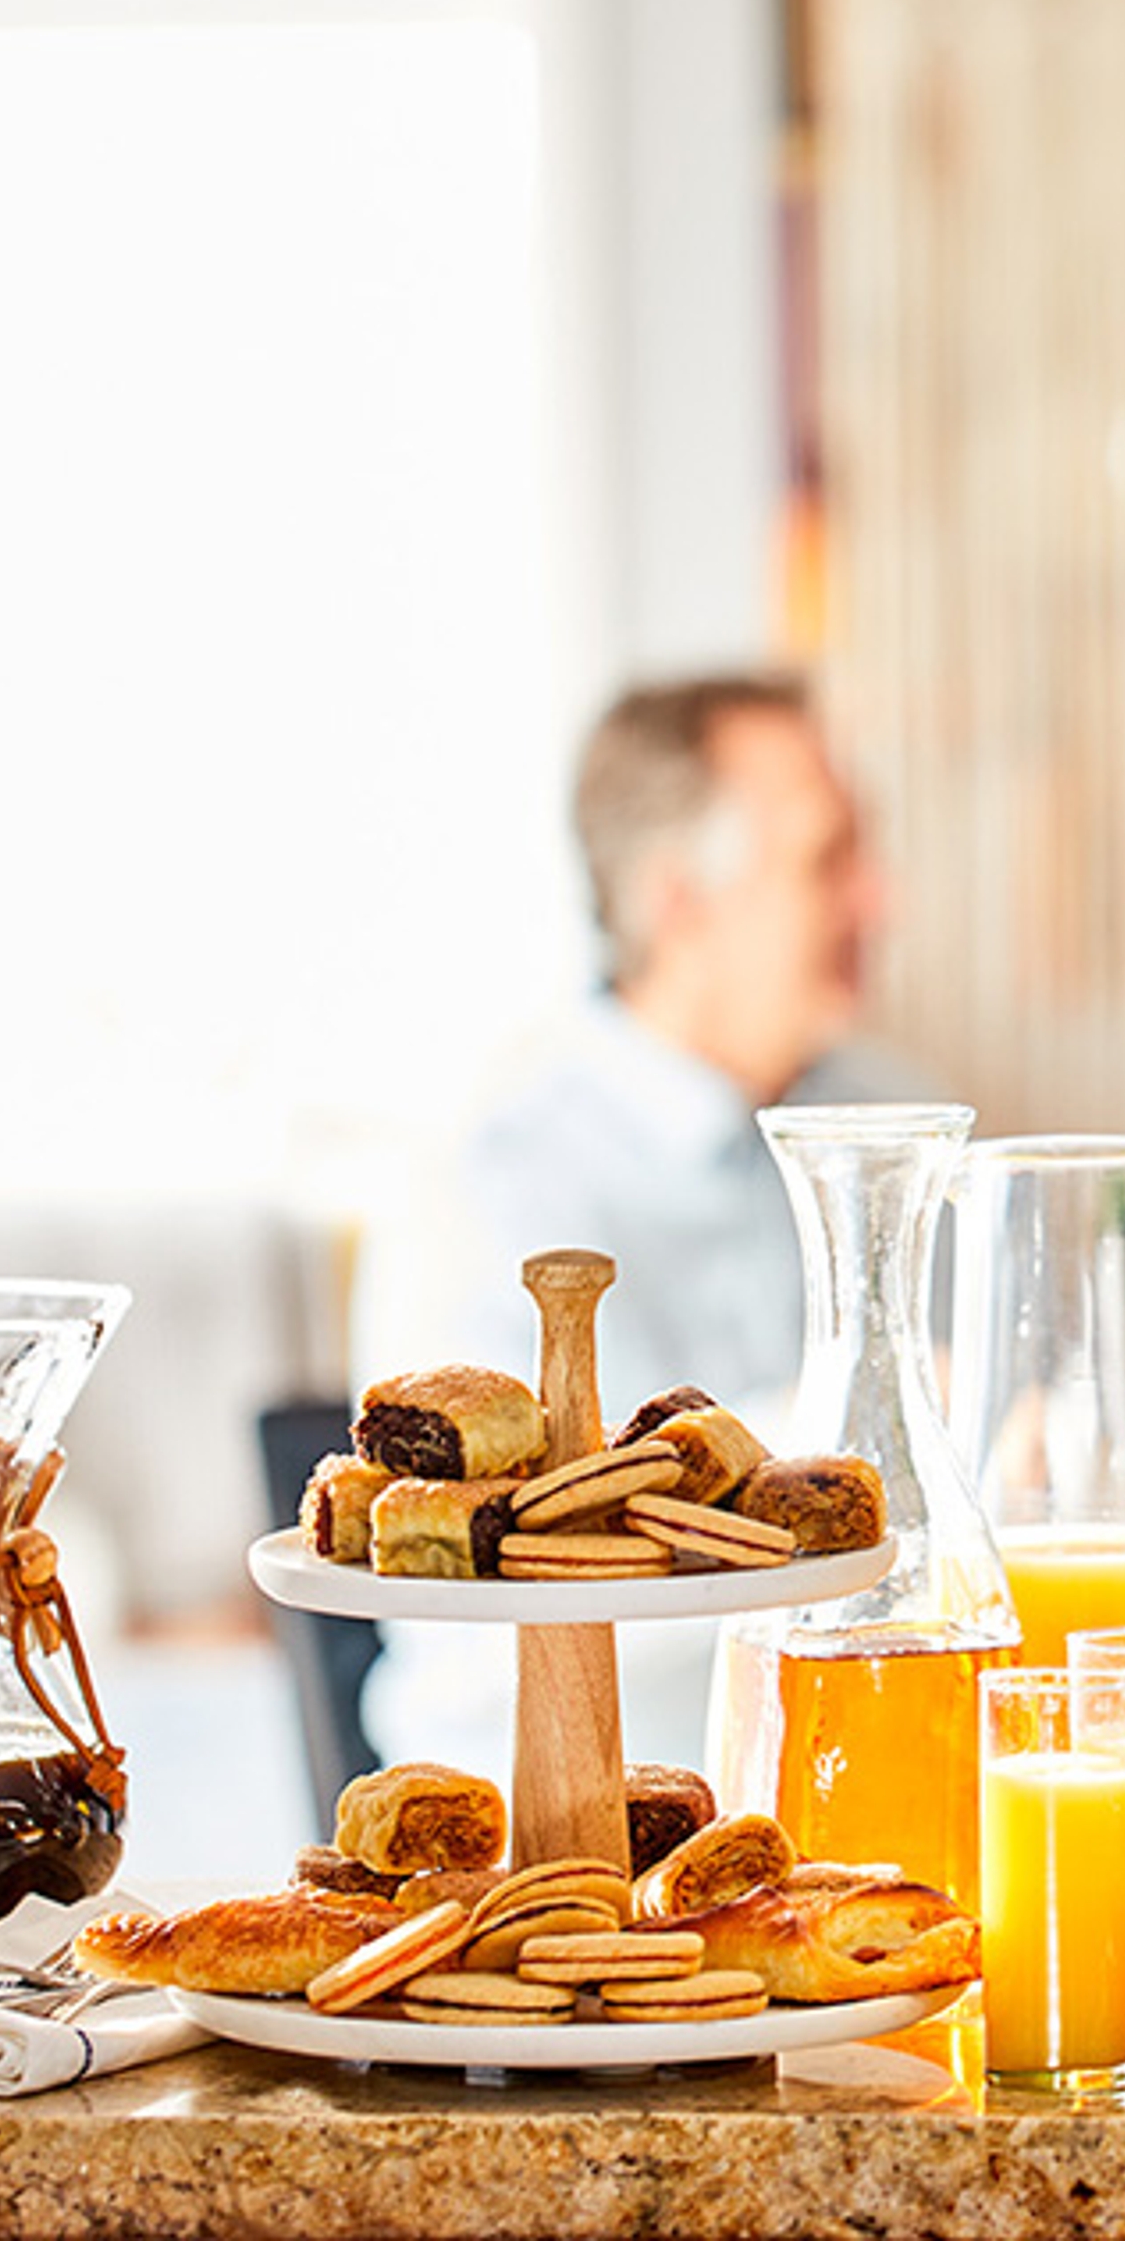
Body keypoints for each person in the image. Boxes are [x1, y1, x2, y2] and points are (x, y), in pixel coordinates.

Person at [353, 670, 929, 1774]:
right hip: (556, 1824)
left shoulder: (886, 1110)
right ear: (679, 900)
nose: (879, 902)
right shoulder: (497, 1180)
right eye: (827, 859)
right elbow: (503, 1584)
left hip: (858, 1785)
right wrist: (892, 1418)